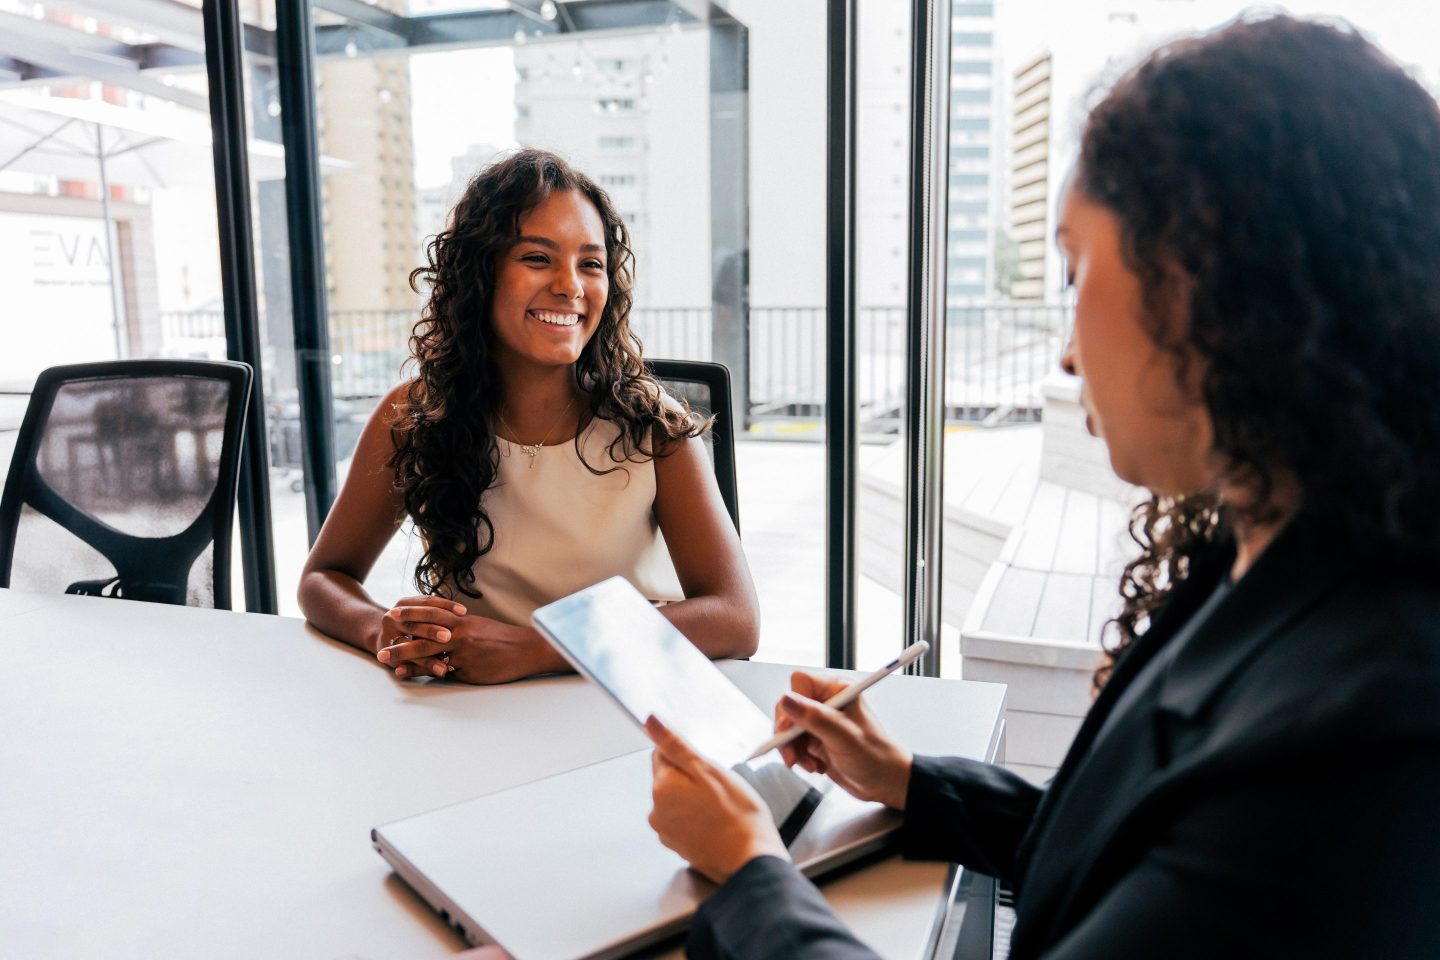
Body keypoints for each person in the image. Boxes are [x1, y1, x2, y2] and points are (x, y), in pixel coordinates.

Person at [646, 15, 1440, 958]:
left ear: (1202, 281)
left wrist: (748, 875)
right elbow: (1134, 862)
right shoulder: (1275, 564)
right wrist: (906, 779)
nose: (1064, 350)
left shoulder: (1363, 734)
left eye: (1073, 271)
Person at [299, 149, 758, 684]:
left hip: (624, 701)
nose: (570, 285)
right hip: (470, 712)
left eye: (591, 263)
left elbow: (735, 617)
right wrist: (382, 629)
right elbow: (323, 579)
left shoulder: (654, 426)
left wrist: (536, 650)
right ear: (480, 274)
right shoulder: (415, 413)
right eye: (538, 258)